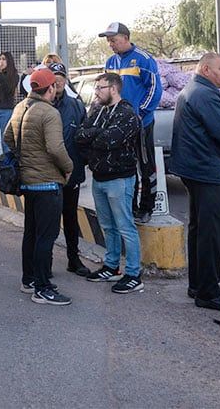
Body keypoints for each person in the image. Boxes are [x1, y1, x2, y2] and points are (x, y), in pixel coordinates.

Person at [170, 53, 220, 312]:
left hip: (196, 169)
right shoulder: (205, 94)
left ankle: (198, 285)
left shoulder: (193, 89)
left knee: (200, 230)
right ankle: (208, 292)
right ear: (206, 69)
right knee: (212, 233)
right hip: (207, 170)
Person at [5, 67, 74, 306]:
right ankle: (43, 288)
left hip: (28, 182)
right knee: (46, 237)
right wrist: (68, 167)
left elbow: (8, 137)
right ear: (51, 88)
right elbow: (55, 148)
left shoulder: (20, 107)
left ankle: (29, 280)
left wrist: (26, 156)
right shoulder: (49, 112)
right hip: (47, 183)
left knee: (31, 234)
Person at [76, 72, 144, 294]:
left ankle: (133, 274)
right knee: (108, 226)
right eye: (96, 88)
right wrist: (96, 134)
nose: (96, 92)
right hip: (99, 177)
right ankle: (111, 266)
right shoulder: (97, 110)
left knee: (125, 227)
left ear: (113, 89)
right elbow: (79, 135)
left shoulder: (127, 114)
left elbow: (109, 140)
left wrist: (93, 136)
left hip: (120, 179)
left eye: (100, 88)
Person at [100, 22, 162, 223]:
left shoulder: (144, 59)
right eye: (108, 41)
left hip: (141, 124)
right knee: (126, 167)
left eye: (114, 40)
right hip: (118, 126)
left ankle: (147, 208)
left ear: (126, 38)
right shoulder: (110, 62)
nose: (110, 44)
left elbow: (154, 88)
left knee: (145, 166)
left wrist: (140, 113)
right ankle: (130, 206)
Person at [49, 62, 89, 277]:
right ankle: (45, 262)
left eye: (61, 77)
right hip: (47, 173)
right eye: (54, 77)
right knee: (49, 220)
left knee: (71, 217)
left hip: (71, 172)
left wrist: (81, 163)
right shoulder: (40, 104)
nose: (58, 81)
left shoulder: (76, 105)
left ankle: (74, 259)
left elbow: (85, 135)